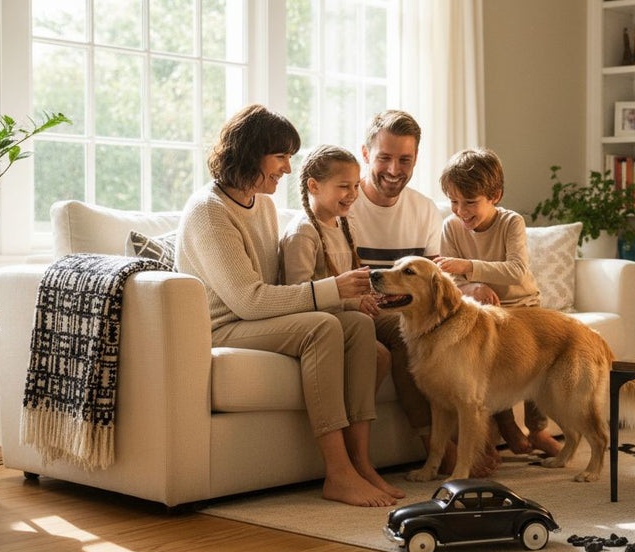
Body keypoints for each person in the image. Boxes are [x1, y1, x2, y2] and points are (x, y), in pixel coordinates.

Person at [176, 105, 396, 507]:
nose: (288, 169)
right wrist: (334, 289)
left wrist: (346, 298)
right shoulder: (209, 212)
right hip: (224, 326)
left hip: (258, 319)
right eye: (281, 157)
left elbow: (273, 288)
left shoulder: (263, 204)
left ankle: (361, 463)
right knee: (322, 327)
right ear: (252, 153)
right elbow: (248, 300)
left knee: (359, 327)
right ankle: (339, 473)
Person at [349, 110, 495, 477]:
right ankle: (439, 446)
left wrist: (470, 287)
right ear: (366, 156)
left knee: (482, 320)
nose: (394, 170)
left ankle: (496, 436)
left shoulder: (425, 210)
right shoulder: (346, 205)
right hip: (362, 308)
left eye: (405, 160)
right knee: (405, 336)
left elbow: (434, 280)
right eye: (384, 158)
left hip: (407, 308)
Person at [279, 143, 404, 501]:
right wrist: (352, 302)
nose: (352, 194)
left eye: (355, 185)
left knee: (399, 335)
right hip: (322, 317)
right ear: (314, 186)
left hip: (347, 313)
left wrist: (370, 296)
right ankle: (356, 462)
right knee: (376, 353)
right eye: (343, 186)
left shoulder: (343, 224)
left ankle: (361, 461)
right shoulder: (303, 232)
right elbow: (298, 294)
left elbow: (350, 279)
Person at [434, 148, 564, 459]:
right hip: (481, 311)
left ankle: (538, 429)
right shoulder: (450, 227)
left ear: (495, 195)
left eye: (469, 202)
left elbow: (516, 270)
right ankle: (506, 423)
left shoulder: (510, 223)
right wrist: (473, 285)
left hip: (522, 307)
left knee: (534, 364)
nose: (461, 211)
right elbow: (449, 282)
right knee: (486, 364)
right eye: (453, 202)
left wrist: (467, 267)